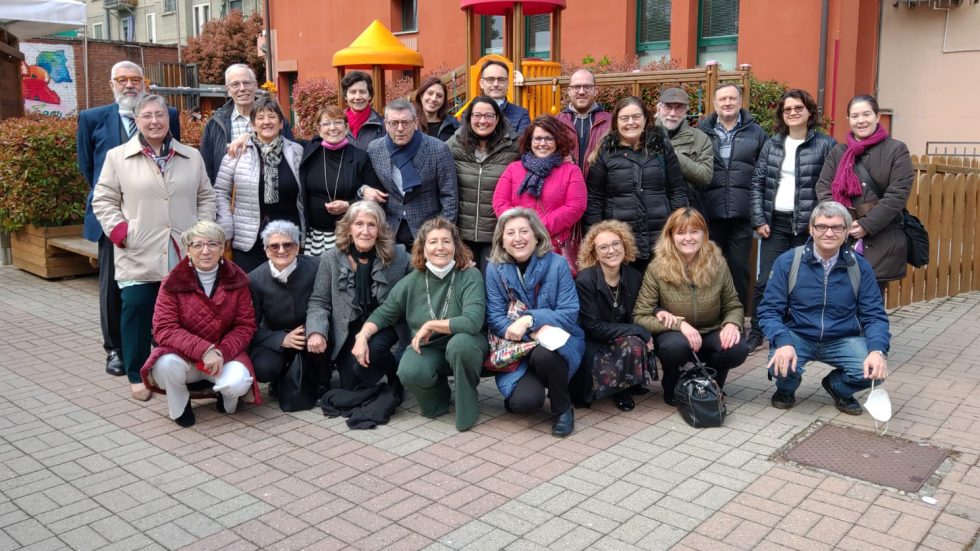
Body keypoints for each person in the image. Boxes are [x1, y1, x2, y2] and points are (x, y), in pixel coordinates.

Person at [92, 94, 215, 401]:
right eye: (146, 116)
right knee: (136, 307)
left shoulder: (191, 156)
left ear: (168, 119)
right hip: (139, 248)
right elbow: (103, 199)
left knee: (187, 313)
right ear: (137, 121)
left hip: (185, 250)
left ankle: (184, 368)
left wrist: (204, 231)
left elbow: (206, 196)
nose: (154, 121)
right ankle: (137, 373)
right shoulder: (118, 157)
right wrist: (122, 231)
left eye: (159, 115)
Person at [77, 60, 180, 377]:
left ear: (145, 83)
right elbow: (87, 168)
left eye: (135, 79)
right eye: (122, 79)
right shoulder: (92, 119)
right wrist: (115, 219)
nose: (129, 85)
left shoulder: (169, 116)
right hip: (114, 222)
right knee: (113, 289)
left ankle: (156, 340)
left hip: (156, 218)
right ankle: (116, 350)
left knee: (160, 283)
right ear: (111, 84)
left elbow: (172, 158)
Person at [351, 217, 488, 431]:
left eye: (446, 241)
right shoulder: (413, 281)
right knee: (408, 371)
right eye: (433, 242)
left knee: (460, 345)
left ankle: (468, 404)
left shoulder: (470, 275)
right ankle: (438, 396)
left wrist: (431, 325)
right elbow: (385, 313)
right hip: (429, 346)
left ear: (455, 246)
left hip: (467, 344)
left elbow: (473, 321)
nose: (440, 247)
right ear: (423, 249)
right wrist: (362, 336)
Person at [757, 201, 890, 414]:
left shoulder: (860, 266)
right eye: (822, 227)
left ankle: (838, 387)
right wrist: (782, 341)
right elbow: (769, 310)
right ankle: (786, 387)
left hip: (843, 338)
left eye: (837, 227)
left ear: (847, 232)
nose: (829, 233)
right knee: (779, 361)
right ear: (811, 229)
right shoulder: (789, 261)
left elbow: (874, 315)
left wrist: (877, 350)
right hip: (799, 334)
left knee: (875, 371)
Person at [142, 222, 260, 427]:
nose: (205, 251)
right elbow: (164, 328)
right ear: (188, 250)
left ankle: (227, 398)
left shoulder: (238, 280)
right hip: (183, 357)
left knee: (238, 382)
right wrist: (204, 350)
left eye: (212, 244)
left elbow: (245, 326)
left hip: (225, 355)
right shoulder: (172, 282)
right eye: (197, 245)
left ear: (222, 248)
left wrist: (220, 352)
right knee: (165, 365)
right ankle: (180, 405)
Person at [745, 89, 836, 353]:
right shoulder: (772, 144)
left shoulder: (825, 145)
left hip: (809, 226)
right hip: (775, 224)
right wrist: (758, 219)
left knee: (808, 281)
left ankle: (801, 333)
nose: (793, 113)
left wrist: (821, 223)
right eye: (787, 109)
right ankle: (758, 332)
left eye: (798, 108)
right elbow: (757, 184)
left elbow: (830, 187)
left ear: (809, 112)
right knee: (766, 281)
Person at [633, 208, 748, 406]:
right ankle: (672, 380)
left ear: (704, 233)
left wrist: (731, 324)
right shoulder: (657, 267)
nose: (688, 238)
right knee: (672, 347)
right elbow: (640, 315)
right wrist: (679, 325)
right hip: (677, 338)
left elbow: (733, 305)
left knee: (736, 348)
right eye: (681, 232)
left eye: (694, 231)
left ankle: (712, 381)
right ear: (671, 236)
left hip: (710, 331)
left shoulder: (718, 264)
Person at [486, 208, 584, 437]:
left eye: (524, 231)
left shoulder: (557, 264)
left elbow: (569, 313)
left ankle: (562, 408)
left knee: (545, 353)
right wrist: (530, 334)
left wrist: (530, 320)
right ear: (501, 238)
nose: (518, 238)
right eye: (510, 233)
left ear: (537, 235)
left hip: (556, 343)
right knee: (525, 403)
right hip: (515, 346)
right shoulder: (494, 268)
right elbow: (495, 316)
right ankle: (531, 390)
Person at [307, 201, 411, 391]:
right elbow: (319, 301)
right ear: (348, 229)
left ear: (379, 230)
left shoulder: (399, 256)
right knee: (350, 384)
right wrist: (315, 330)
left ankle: (394, 369)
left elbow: (424, 269)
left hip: (385, 324)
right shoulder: (331, 258)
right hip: (348, 325)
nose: (365, 231)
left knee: (375, 352)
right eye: (359, 224)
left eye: (371, 225)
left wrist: (460, 262)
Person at [816, 95, 915, 294]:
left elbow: (897, 194)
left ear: (878, 117)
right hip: (842, 236)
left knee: (870, 302)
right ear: (849, 120)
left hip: (881, 237)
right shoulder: (839, 152)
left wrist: (866, 225)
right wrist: (840, 222)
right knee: (839, 299)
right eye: (855, 116)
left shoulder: (896, 150)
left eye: (866, 114)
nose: (861, 120)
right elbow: (824, 187)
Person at [585, 96, 688, 273]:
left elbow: (677, 191)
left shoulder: (661, 148)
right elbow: (594, 199)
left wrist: (679, 229)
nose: (630, 123)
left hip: (659, 236)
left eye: (636, 117)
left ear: (646, 118)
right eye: (624, 118)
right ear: (616, 122)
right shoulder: (605, 152)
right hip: (619, 242)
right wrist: (597, 237)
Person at [214, 97, 305, 274]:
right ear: (253, 125)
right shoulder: (237, 152)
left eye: (272, 117)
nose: (266, 122)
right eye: (260, 117)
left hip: (289, 236)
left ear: (281, 124)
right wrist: (226, 225)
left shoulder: (297, 151)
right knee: (251, 290)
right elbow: (220, 192)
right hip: (249, 239)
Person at [699, 83, 767, 307]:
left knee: (739, 268)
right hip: (710, 212)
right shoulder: (702, 131)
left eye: (732, 99)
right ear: (715, 103)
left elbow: (765, 173)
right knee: (709, 267)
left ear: (740, 102)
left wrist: (760, 213)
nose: (727, 103)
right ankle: (712, 315)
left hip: (742, 212)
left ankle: (737, 318)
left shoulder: (756, 132)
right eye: (722, 99)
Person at [573, 220, 653, 411]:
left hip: (621, 338)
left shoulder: (633, 276)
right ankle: (610, 386)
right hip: (594, 343)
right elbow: (593, 327)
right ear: (595, 253)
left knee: (635, 343)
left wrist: (661, 313)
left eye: (616, 243)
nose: (611, 250)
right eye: (603, 247)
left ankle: (624, 387)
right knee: (636, 337)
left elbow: (643, 308)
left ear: (624, 245)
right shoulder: (586, 280)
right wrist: (639, 330)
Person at [492, 115, 587, 273]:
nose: (542, 143)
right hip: (517, 246)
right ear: (530, 141)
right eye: (537, 138)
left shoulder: (571, 171)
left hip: (553, 247)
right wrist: (522, 229)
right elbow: (500, 202)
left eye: (549, 138)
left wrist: (538, 228)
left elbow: (576, 206)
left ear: (558, 141)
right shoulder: (513, 168)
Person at [248, 221, 328, 406]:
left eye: (288, 244)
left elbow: (325, 303)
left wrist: (315, 329)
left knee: (319, 340)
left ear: (298, 247)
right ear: (267, 250)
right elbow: (250, 325)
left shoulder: (317, 266)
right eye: (274, 246)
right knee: (263, 367)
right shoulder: (254, 280)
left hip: (311, 330)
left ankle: (322, 380)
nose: (281, 250)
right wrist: (280, 339)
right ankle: (280, 377)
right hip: (276, 336)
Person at [367, 99, 458, 247]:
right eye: (394, 123)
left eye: (406, 122)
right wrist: (364, 190)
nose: (400, 128)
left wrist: (441, 233)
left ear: (415, 123)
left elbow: (450, 197)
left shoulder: (438, 149)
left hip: (428, 230)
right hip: (389, 230)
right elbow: (368, 185)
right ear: (386, 124)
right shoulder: (375, 149)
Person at [447, 96, 519, 270]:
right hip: (462, 234)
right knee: (468, 286)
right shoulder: (454, 144)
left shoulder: (514, 146)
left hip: (497, 234)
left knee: (493, 286)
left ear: (498, 118)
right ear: (469, 118)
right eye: (477, 115)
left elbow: (540, 154)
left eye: (489, 116)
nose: (483, 121)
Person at [298, 105, 382, 256]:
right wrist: (245, 138)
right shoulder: (309, 151)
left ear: (346, 127)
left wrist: (348, 205)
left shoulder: (360, 157)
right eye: (326, 123)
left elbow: (377, 197)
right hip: (314, 236)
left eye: (337, 122)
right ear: (319, 130)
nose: (332, 128)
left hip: (348, 236)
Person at [201, 63, 293, 184]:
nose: (242, 88)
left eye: (247, 83)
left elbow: (290, 156)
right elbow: (207, 168)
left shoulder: (276, 120)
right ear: (228, 90)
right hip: (229, 196)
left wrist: (250, 137)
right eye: (235, 84)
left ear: (255, 85)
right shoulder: (215, 124)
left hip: (271, 191)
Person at [654, 87, 713, 212]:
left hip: (686, 209)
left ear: (686, 111)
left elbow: (706, 176)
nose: (673, 113)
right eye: (668, 107)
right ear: (658, 109)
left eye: (679, 108)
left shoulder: (700, 139)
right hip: (652, 208)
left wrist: (673, 155)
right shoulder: (645, 134)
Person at [557, 68, 611, 176]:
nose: (581, 92)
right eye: (576, 87)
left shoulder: (611, 122)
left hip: (601, 190)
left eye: (587, 87)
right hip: (567, 190)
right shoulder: (556, 123)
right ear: (569, 91)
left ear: (596, 91)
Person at [479, 59, 531, 135]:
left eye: (501, 80)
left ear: (508, 83)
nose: (496, 84)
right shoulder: (469, 113)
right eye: (490, 79)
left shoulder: (521, 114)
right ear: (481, 83)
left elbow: (522, 144)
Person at [342, 71, 386, 150]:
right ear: (345, 96)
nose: (358, 97)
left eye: (362, 92)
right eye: (353, 92)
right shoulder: (337, 123)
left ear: (369, 95)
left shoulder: (382, 125)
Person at [414, 76, 460, 142]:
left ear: (444, 100)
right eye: (430, 93)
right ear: (421, 95)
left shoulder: (452, 125)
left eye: (439, 96)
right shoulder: (409, 122)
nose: (433, 99)